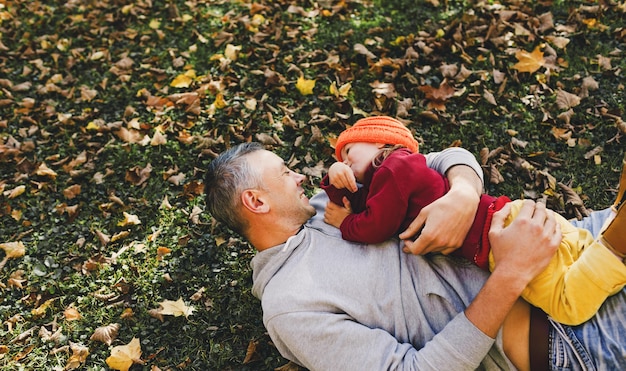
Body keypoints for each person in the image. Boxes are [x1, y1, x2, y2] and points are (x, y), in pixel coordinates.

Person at [203, 141, 626, 370]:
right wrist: (513, 272)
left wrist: (462, 193)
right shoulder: (291, 305)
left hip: (564, 242)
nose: (298, 175)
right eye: (283, 172)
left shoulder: (326, 204)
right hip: (564, 331)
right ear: (256, 201)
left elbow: (436, 159)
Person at [320, 115, 626, 326]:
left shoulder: (391, 172)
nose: (343, 160)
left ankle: (616, 244)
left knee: (566, 303)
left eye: (348, 150)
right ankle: (617, 215)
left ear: (379, 142)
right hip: (510, 214)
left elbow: (377, 224)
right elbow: (365, 202)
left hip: (498, 238)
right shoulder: (397, 175)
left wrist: (346, 224)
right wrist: (335, 182)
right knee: (581, 255)